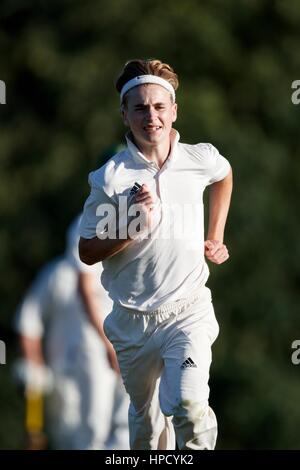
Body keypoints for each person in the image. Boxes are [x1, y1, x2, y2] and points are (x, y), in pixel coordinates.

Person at [78, 59, 233, 450]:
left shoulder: (198, 159)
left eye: (160, 106)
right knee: (147, 429)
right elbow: (86, 251)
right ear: (125, 115)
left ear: (174, 110)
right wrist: (132, 227)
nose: (152, 116)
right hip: (132, 322)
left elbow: (224, 174)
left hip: (188, 309)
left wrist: (215, 236)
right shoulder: (110, 177)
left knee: (188, 404)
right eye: (141, 108)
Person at [14, 216, 129, 450]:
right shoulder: (56, 275)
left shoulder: (116, 271)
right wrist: (34, 363)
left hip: (119, 356)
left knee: (124, 431)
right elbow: (29, 322)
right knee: (82, 435)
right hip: (67, 376)